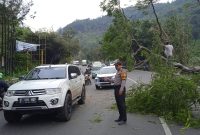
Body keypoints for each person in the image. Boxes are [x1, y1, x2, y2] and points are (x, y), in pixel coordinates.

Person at [104, 61, 127, 125]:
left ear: (120, 65)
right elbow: (115, 81)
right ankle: (120, 117)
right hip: (116, 88)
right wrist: (108, 79)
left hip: (120, 89)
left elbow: (123, 81)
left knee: (122, 105)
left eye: (116, 66)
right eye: (115, 66)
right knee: (118, 104)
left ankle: (124, 119)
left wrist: (121, 90)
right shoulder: (118, 72)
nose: (115, 67)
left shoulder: (123, 72)